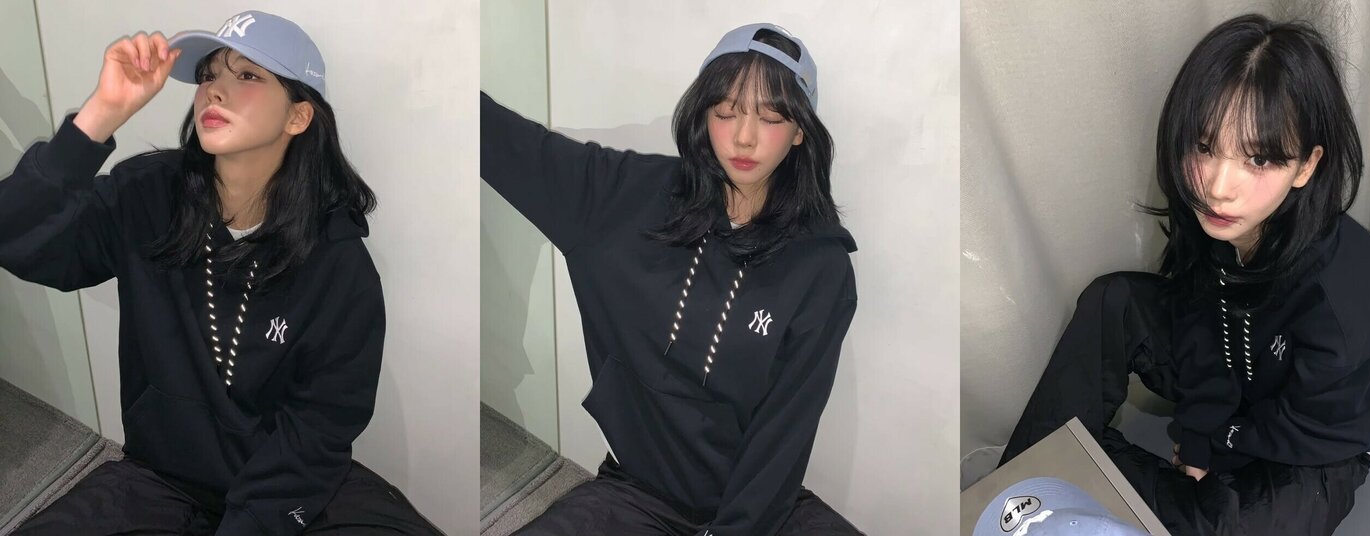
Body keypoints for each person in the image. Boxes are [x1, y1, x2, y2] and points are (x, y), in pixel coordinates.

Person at [1, 11, 437, 535]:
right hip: (160, 479)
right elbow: (17, 241)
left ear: (298, 116)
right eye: (209, 75)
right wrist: (99, 116)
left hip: (291, 486)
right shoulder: (147, 195)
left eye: (247, 75)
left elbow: (320, 428)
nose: (215, 90)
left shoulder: (338, 263)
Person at [1000, 14, 1370, 536]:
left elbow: (1315, 429)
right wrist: (1200, 434)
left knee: (1237, 526)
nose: (1219, 187)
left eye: (1258, 159)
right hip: (1242, 371)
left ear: (1306, 166)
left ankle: (1081, 474)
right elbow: (1203, 318)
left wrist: (1222, 442)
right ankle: (1029, 478)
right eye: (1204, 147)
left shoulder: (1342, 305)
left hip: (1323, 437)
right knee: (1113, 300)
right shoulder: (1218, 219)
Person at [481, 23, 863, 535]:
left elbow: (785, 435)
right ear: (703, 113)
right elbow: (509, 145)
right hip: (637, 492)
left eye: (771, 117)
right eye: (726, 111)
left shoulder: (819, 267)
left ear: (800, 132)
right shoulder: (625, 198)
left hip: (761, 507)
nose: (744, 137)